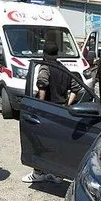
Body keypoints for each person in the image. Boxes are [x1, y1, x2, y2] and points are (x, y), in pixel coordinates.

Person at [22, 42, 81, 184]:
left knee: (37, 141)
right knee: (56, 143)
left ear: (44, 54)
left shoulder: (45, 67)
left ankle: (38, 172)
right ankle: (57, 174)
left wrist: (39, 105)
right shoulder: (64, 68)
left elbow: (42, 84)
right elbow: (76, 87)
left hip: (46, 110)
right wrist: (67, 104)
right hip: (61, 110)